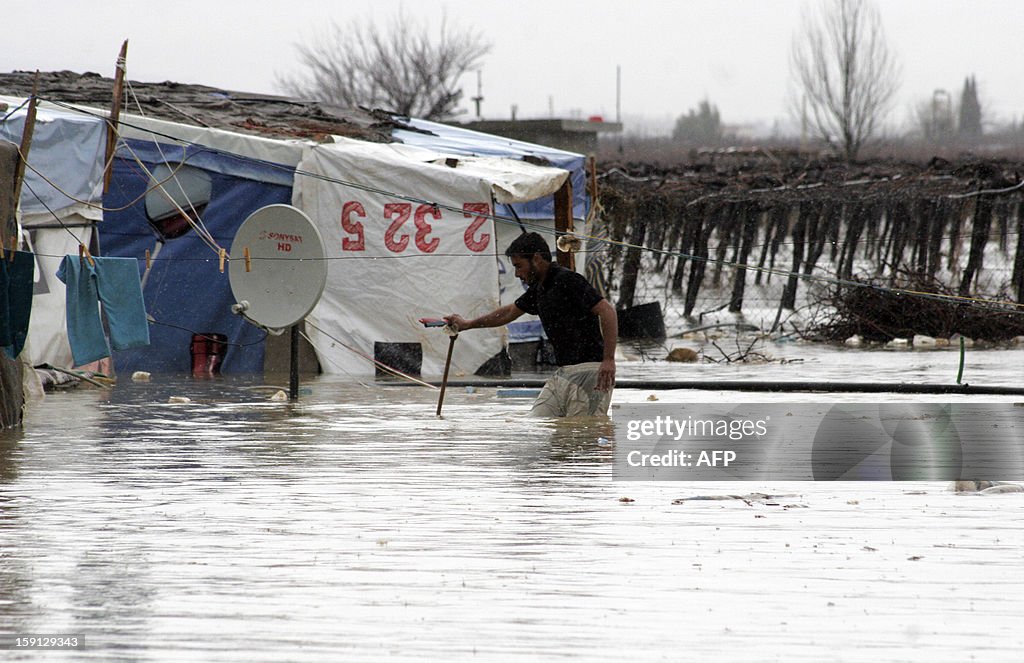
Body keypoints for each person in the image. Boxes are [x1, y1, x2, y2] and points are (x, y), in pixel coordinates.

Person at [446, 232, 617, 417]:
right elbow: (509, 312)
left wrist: (608, 359)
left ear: (536, 259)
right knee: (536, 422)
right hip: (564, 372)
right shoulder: (539, 289)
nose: (518, 274)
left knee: (582, 433)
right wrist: (467, 324)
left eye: (519, 266)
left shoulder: (568, 280)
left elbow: (607, 311)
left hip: (591, 371)